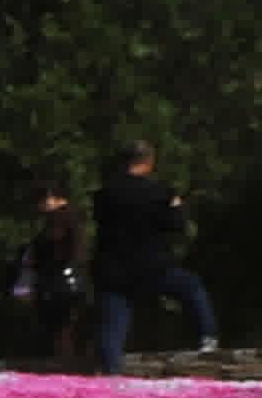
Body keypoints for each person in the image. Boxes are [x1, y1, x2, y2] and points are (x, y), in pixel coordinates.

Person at [89, 143, 219, 367]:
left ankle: (110, 370)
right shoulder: (159, 192)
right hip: (152, 265)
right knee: (192, 287)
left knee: (114, 322)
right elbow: (176, 226)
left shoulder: (105, 194)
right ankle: (207, 337)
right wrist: (176, 207)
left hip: (114, 268)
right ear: (149, 162)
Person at [14, 187, 91, 366]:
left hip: (61, 281)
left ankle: (65, 362)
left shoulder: (60, 220)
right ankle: (66, 361)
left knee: (62, 327)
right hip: (70, 279)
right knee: (65, 326)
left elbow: (56, 251)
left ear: (52, 199)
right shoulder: (72, 218)